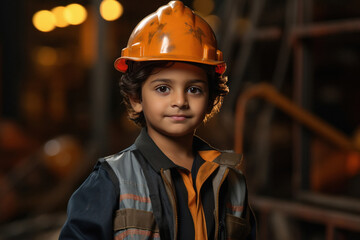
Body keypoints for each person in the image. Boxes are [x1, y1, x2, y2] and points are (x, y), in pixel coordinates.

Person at [59, 1, 256, 239]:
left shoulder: (231, 180)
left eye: (194, 90)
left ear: (211, 99)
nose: (180, 101)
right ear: (135, 98)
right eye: (163, 88)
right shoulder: (112, 180)